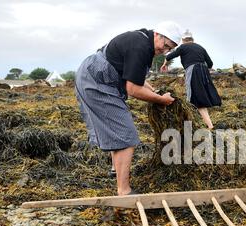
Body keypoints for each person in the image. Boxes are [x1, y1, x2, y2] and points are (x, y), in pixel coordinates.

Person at [75, 21, 183, 196]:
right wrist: (161, 100)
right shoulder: (141, 47)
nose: (165, 51)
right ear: (158, 35)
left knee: (116, 129)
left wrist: (154, 91)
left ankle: (114, 169)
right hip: (98, 81)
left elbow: (136, 77)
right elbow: (133, 89)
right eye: (166, 45)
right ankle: (124, 191)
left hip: (92, 75)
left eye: (170, 49)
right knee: (126, 136)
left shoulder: (142, 41)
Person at [160, 29, 221, 129]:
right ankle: (202, 123)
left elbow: (170, 56)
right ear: (192, 39)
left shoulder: (183, 47)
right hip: (204, 71)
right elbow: (210, 63)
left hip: (193, 71)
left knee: (194, 98)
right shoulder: (200, 47)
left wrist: (164, 65)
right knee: (201, 97)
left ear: (183, 40)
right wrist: (203, 69)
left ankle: (208, 125)